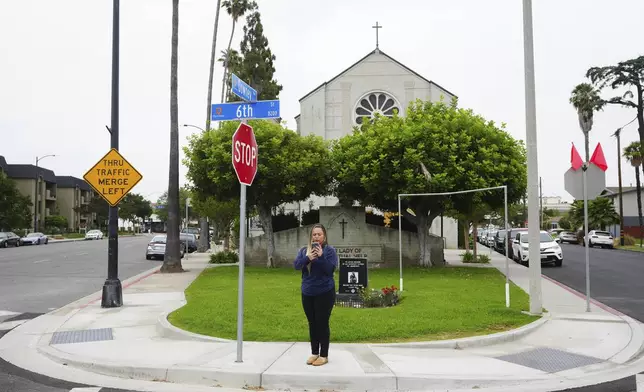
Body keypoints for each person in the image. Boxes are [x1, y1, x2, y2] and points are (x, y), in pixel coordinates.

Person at [293, 223, 338, 366]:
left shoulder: (329, 251)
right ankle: (314, 353)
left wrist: (320, 257)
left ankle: (324, 355)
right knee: (312, 323)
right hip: (307, 292)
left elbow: (330, 270)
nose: (317, 236)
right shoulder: (304, 251)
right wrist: (308, 258)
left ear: (324, 236)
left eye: (319, 234)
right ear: (311, 236)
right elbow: (296, 265)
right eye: (314, 234)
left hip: (325, 292)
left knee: (322, 323)